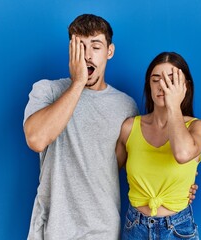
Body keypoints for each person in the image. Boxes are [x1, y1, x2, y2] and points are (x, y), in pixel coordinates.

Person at [23, 14, 138, 239]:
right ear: (70, 50)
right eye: (80, 46)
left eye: (95, 46)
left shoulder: (126, 106)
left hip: (102, 229)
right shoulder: (46, 90)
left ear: (109, 52)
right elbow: (36, 140)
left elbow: (124, 166)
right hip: (52, 228)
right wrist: (77, 83)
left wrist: (180, 186)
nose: (87, 55)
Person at [116, 52, 201, 239]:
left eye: (172, 80)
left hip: (178, 229)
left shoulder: (200, 127)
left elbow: (183, 153)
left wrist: (173, 106)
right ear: (148, 86)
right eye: (156, 79)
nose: (163, 86)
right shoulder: (129, 127)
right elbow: (105, 177)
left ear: (185, 86)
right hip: (135, 227)